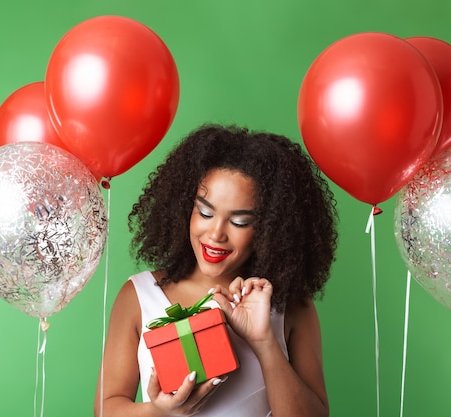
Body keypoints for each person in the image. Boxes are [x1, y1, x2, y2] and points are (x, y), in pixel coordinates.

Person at [94, 124, 338, 417]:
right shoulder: (139, 295)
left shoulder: (292, 307)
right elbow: (105, 410)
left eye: (239, 222)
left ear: (271, 229)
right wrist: (161, 411)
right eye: (205, 212)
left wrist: (264, 343)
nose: (216, 234)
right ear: (185, 208)